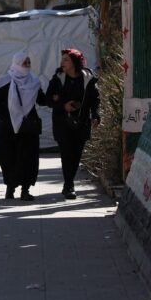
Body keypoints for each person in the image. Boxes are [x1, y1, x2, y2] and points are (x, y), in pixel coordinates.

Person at [0, 51, 46, 201]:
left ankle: (25, 190)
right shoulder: (4, 81)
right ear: (16, 63)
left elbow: (42, 100)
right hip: (8, 127)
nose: (27, 66)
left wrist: (56, 96)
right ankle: (10, 187)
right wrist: (8, 117)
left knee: (28, 158)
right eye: (24, 63)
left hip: (27, 128)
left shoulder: (33, 82)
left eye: (28, 63)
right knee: (8, 157)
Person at [45, 49, 100, 200]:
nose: (62, 63)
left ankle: (69, 183)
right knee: (66, 153)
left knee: (76, 154)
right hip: (62, 122)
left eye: (66, 60)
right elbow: (47, 99)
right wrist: (63, 106)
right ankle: (69, 185)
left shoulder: (88, 79)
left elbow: (95, 99)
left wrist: (95, 115)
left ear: (75, 62)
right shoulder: (58, 79)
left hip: (81, 122)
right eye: (62, 59)